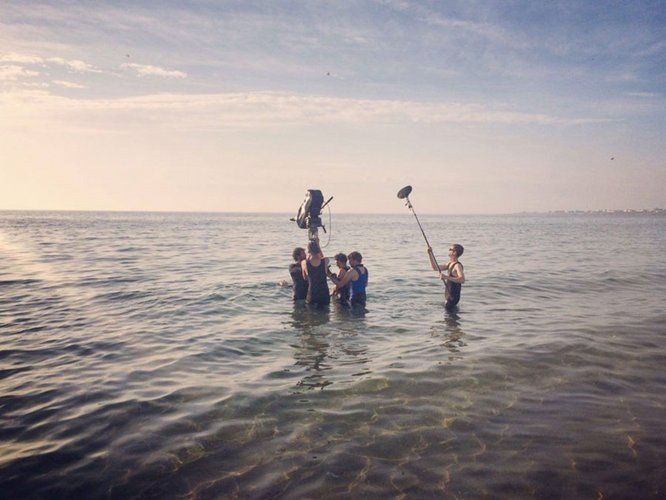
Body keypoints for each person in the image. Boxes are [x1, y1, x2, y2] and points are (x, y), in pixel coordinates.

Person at [427, 243, 465, 311]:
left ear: (454, 252)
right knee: (449, 318)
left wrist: (446, 277)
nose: (448, 250)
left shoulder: (457, 266)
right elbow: (435, 268)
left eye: (450, 249)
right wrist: (430, 254)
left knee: (449, 318)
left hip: (453, 297)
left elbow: (462, 279)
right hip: (449, 296)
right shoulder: (450, 263)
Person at [301, 240, 330, 307]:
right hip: (324, 293)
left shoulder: (304, 263)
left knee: (310, 315)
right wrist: (318, 245)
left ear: (308, 250)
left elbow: (305, 278)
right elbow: (321, 256)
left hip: (312, 293)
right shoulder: (325, 260)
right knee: (325, 315)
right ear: (318, 249)